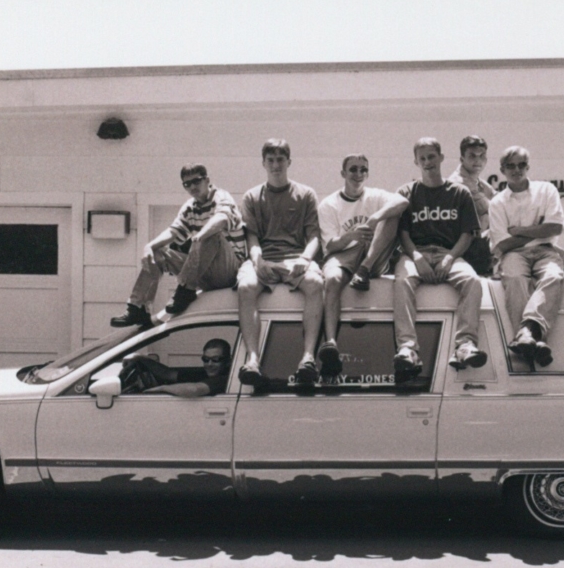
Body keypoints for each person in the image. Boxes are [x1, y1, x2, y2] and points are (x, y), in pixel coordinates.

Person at [393, 137, 486, 379]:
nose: (427, 162)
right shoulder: (406, 192)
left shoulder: (459, 192)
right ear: (415, 161)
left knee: (473, 282)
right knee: (402, 281)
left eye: (431, 156)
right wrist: (416, 258)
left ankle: (465, 344)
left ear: (441, 158)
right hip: (415, 253)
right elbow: (402, 234)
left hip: (449, 253)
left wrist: (450, 259)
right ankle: (408, 348)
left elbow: (468, 233)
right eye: (422, 158)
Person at [110, 164, 246, 328]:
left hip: (229, 271)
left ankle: (185, 290)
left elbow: (222, 219)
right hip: (202, 272)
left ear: (207, 180)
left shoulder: (221, 197)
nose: (192, 187)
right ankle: (138, 307)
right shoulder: (190, 206)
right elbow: (174, 231)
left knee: (211, 235)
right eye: (187, 184)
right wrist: (149, 246)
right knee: (158, 253)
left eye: (196, 181)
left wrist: (199, 237)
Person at [237, 139, 324, 386]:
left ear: (289, 162)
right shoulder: (252, 196)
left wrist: (306, 258)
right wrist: (258, 260)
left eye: (281, 159)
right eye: (271, 160)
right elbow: (251, 236)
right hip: (264, 258)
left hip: (296, 258)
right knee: (245, 288)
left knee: (316, 284)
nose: (276, 165)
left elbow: (314, 236)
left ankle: (307, 357)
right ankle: (253, 359)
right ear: (263, 163)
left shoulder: (305, 194)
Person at [316, 153, 408, 376]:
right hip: (344, 253)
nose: (358, 174)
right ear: (343, 173)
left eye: (363, 170)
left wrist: (376, 217)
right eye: (353, 169)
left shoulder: (375, 195)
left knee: (392, 214)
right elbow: (331, 246)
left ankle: (364, 270)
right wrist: (352, 235)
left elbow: (403, 201)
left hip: (372, 255)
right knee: (332, 279)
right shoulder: (329, 204)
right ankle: (330, 342)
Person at [488, 146, 564, 367]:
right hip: (513, 254)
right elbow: (502, 244)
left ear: (528, 167)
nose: (517, 170)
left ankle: (525, 334)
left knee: (554, 276)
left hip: (546, 251)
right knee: (514, 280)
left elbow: (556, 228)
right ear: (502, 169)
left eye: (522, 164)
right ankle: (536, 340)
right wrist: (538, 228)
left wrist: (519, 230)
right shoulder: (497, 202)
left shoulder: (547, 190)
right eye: (511, 166)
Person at [447, 135, 497, 276]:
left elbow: (497, 197)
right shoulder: (460, 182)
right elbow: (493, 208)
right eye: (472, 156)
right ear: (462, 159)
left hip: (475, 243)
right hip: (466, 248)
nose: (478, 160)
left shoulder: (475, 178)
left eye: (482, 156)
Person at [120, 338, 232, 397]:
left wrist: (161, 389)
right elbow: (168, 373)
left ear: (227, 361)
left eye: (216, 360)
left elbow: (195, 389)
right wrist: (140, 358)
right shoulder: (205, 373)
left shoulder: (226, 379)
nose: (210, 364)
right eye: (206, 359)